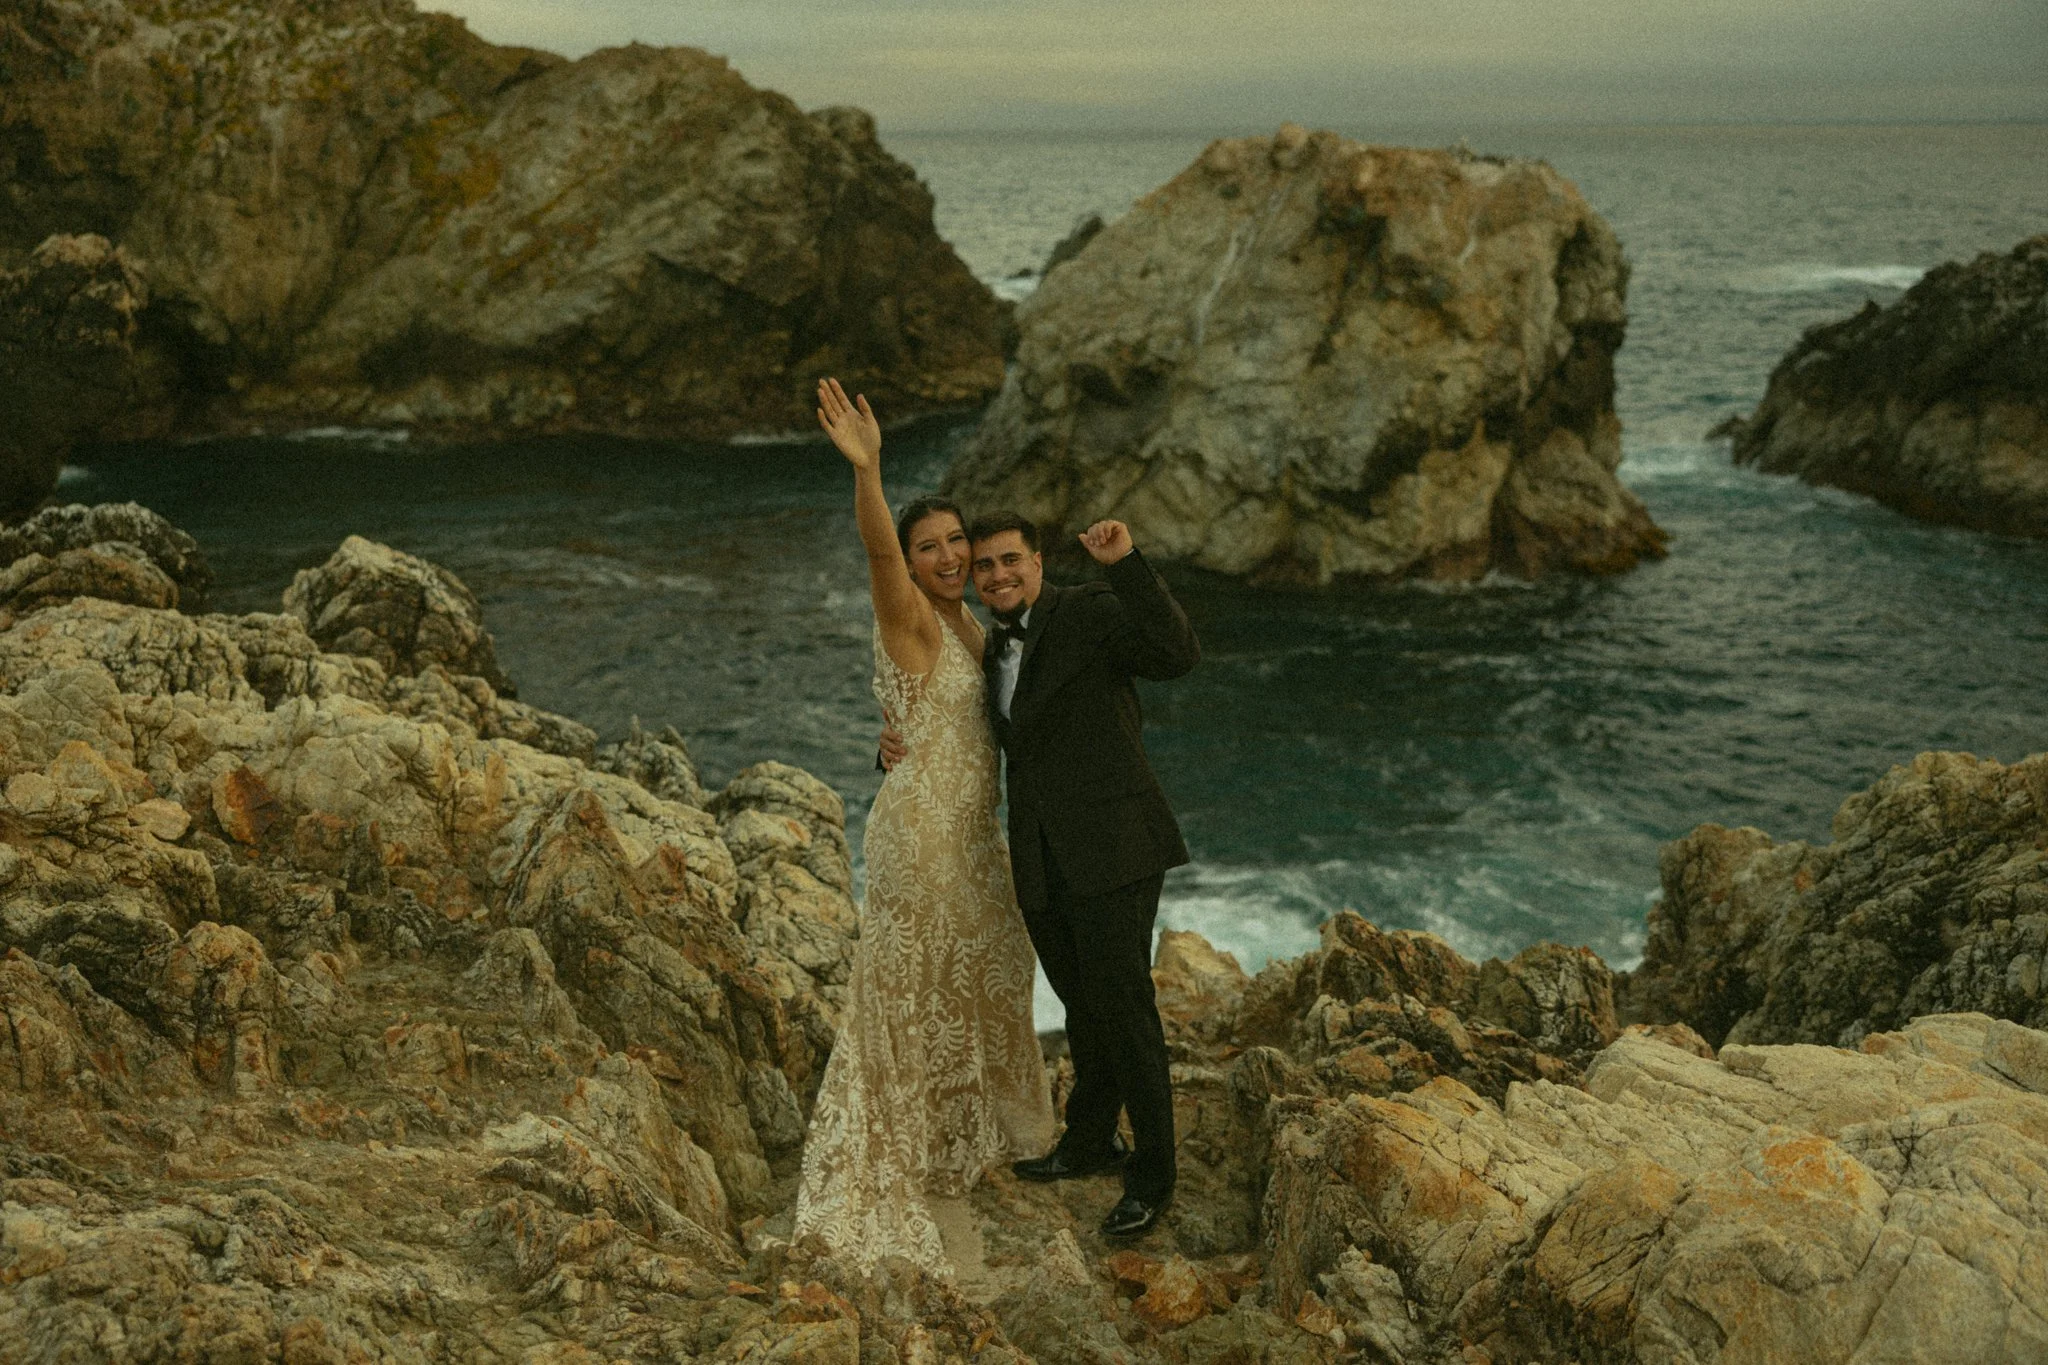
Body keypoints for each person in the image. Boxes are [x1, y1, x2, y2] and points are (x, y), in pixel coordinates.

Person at [793, 378, 1053, 1272]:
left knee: (970, 983)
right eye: (928, 547)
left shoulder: (970, 621)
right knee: (914, 996)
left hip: (972, 836)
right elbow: (874, 557)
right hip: (924, 840)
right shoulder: (907, 611)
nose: (946, 557)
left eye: (955, 544)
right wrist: (869, 473)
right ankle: (908, 1161)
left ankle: (947, 1146)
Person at [891, 510, 1199, 1239]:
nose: (997, 574)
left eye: (1010, 561)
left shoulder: (1088, 611)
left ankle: (1154, 1176)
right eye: (985, 565)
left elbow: (1175, 651)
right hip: (1041, 855)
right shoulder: (988, 642)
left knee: (1125, 1010)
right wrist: (893, 746)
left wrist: (1125, 562)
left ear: (1037, 561)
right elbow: (956, 735)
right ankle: (1090, 1139)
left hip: (1115, 846)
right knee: (1081, 1005)